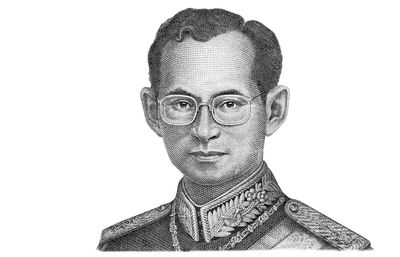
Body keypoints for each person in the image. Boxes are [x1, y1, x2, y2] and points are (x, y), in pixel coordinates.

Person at [97, 8, 371, 251]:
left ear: (274, 111)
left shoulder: (333, 249)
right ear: (152, 111)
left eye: (229, 104)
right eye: (182, 104)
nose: (204, 131)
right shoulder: (121, 246)